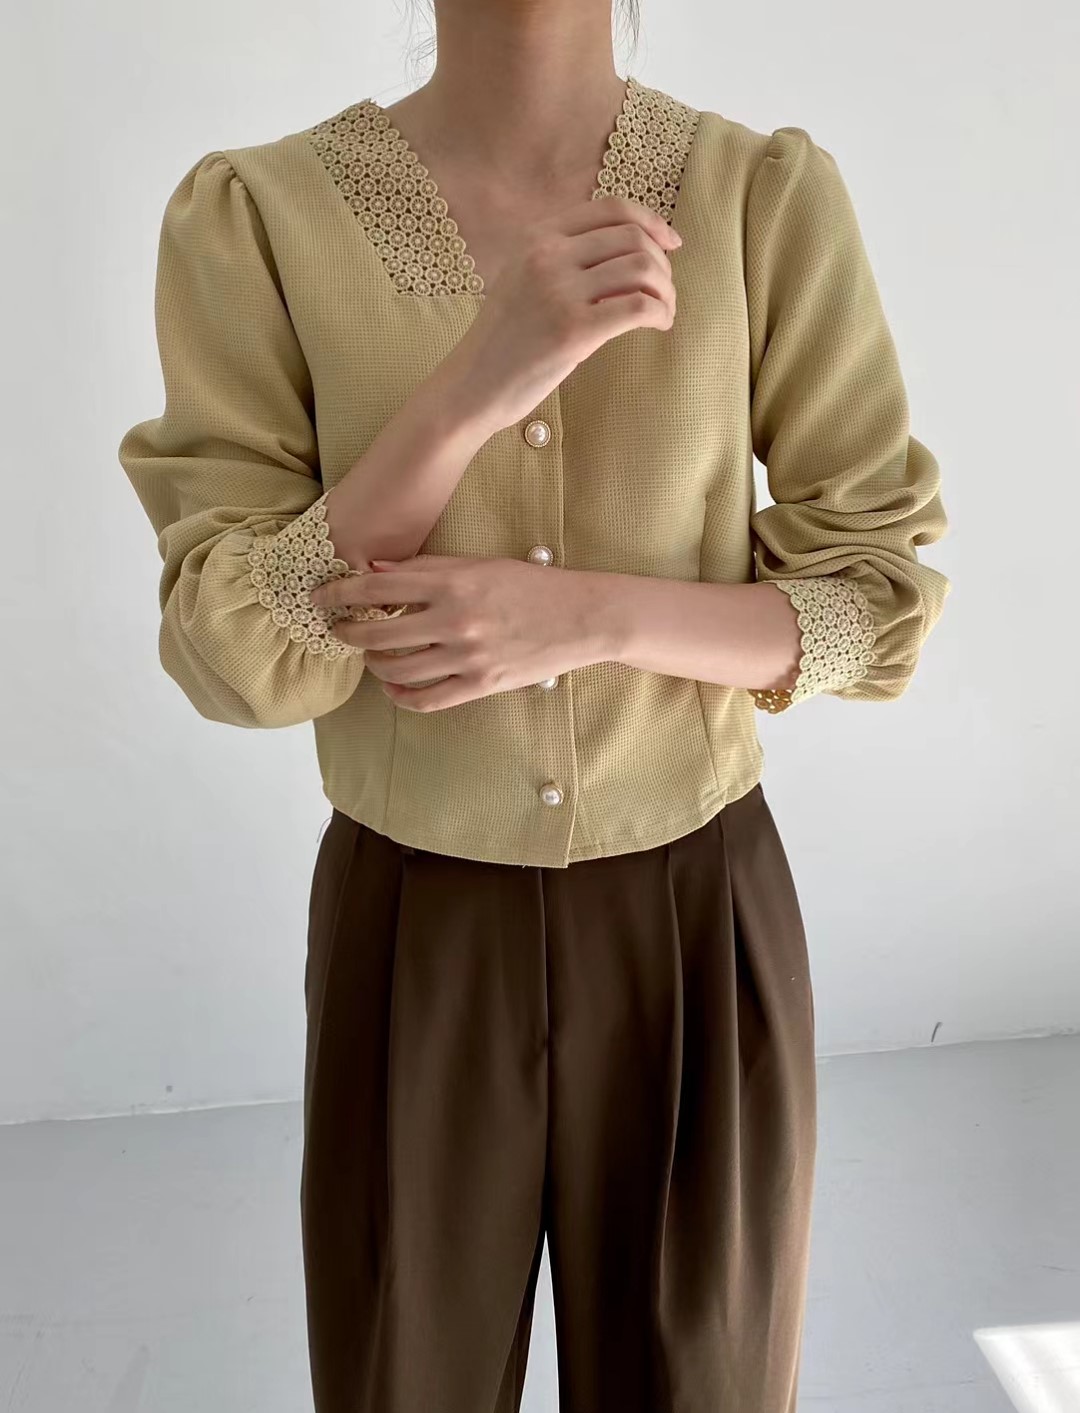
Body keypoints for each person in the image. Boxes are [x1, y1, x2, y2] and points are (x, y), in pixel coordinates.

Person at [116, 0, 951, 1408]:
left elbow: (874, 599)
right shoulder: (256, 219)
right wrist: (469, 389)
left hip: (698, 912)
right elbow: (234, 653)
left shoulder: (761, 198)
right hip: (412, 927)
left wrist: (589, 617)